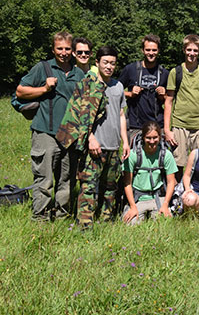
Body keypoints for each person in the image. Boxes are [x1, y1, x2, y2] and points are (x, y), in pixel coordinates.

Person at [16, 31, 85, 221]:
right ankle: (40, 218)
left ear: (72, 50)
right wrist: (44, 89)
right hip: (45, 130)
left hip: (70, 134)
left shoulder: (79, 73)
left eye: (67, 49)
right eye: (59, 48)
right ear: (53, 49)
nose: (63, 52)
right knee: (44, 179)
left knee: (66, 179)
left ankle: (63, 217)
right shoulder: (43, 68)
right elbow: (20, 91)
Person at [64, 46, 129, 230]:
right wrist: (90, 138)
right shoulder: (88, 84)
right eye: (106, 62)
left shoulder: (118, 86)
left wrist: (125, 141)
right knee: (89, 187)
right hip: (95, 146)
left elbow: (122, 115)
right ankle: (85, 225)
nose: (109, 66)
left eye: (112, 63)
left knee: (110, 187)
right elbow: (81, 115)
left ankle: (106, 220)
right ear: (97, 63)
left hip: (113, 146)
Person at [164, 34, 199, 183]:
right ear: (184, 50)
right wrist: (167, 130)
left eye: (195, 50)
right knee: (178, 164)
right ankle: (178, 196)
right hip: (180, 125)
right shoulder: (176, 72)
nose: (191, 53)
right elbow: (168, 101)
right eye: (189, 50)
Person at [122, 121, 177, 225]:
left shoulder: (166, 155)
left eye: (155, 138)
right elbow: (127, 183)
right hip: (138, 198)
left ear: (160, 137)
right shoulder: (133, 155)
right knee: (131, 224)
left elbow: (171, 183)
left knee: (165, 224)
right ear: (143, 137)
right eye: (148, 138)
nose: (152, 141)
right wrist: (133, 206)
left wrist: (165, 204)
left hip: (157, 197)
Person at [119, 34, 169, 141]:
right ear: (142, 50)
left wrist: (163, 95)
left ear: (158, 50)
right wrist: (130, 94)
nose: (151, 53)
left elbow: (170, 100)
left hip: (157, 125)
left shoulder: (164, 73)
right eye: (148, 50)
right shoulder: (130, 69)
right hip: (136, 125)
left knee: (157, 157)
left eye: (154, 50)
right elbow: (115, 91)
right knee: (135, 156)